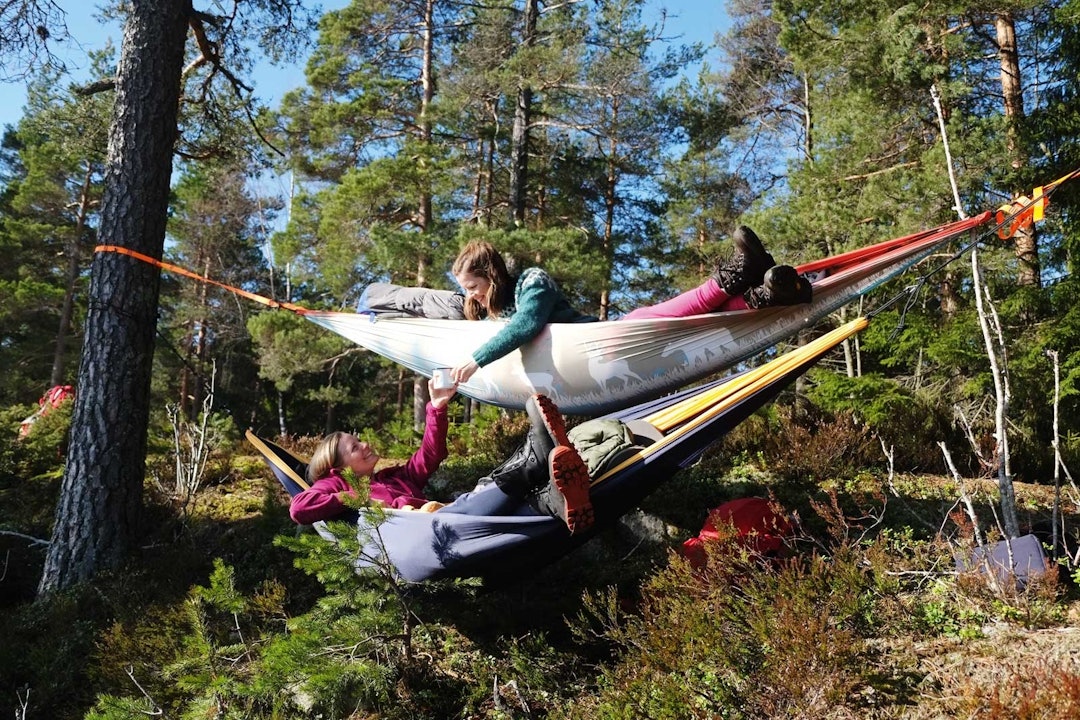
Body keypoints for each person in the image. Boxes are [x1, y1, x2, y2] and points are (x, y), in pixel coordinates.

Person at [449, 226, 812, 384]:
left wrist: (476, 360)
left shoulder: (532, 282)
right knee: (678, 322)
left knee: (650, 319)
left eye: (473, 287)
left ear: (492, 276)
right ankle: (764, 297)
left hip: (600, 342)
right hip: (589, 370)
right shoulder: (496, 307)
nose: (472, 296)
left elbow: (526, 326)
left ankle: (740, 276)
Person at [289, 384, 596, 534]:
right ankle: (535, 454)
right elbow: (299, 507)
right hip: (424, 532)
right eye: (355, 447)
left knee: (479, 500)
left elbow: (430, 455)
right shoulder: (332, 484)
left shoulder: (392, 478)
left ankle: (551, 500)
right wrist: (347, 498)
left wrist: (437, 407)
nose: (365, 444)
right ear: (338, 467)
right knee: (471, 501)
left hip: (442, 518)